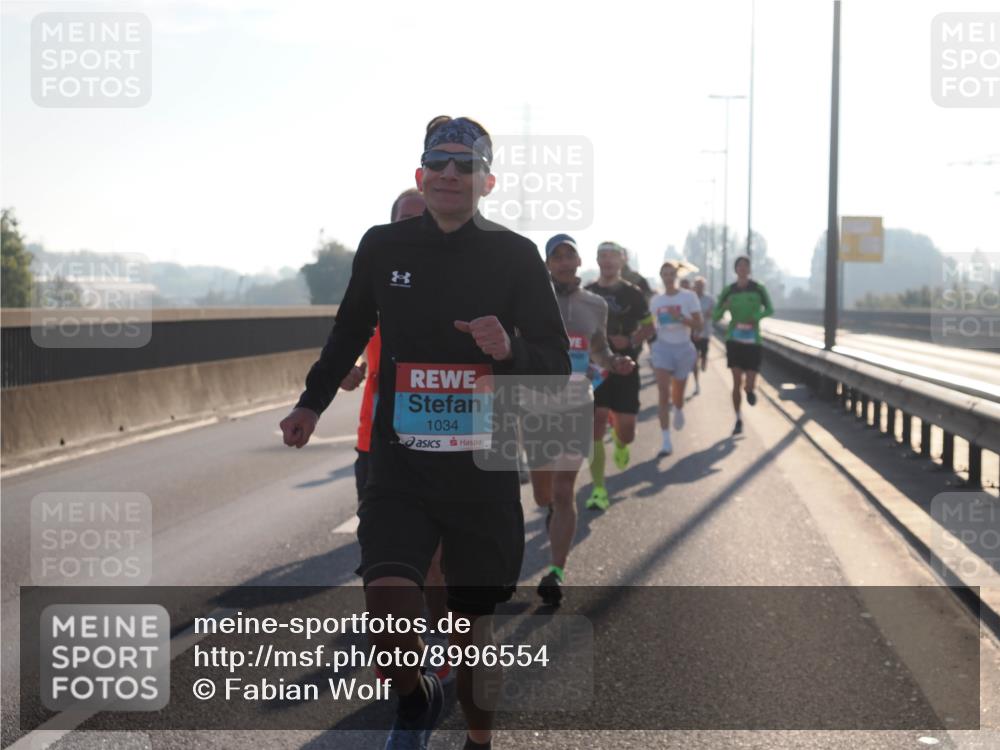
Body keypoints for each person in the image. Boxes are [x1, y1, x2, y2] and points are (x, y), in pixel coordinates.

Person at [280, 115, 570, 750]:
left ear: (486, 182)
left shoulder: (516, 256)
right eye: (437, 163)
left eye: (463, 166)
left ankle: (477, 740)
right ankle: (414, 699)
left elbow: (553, 366)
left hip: (481, 471)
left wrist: (510, 347)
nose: (448, 174)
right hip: (400, 464)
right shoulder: (384, 245)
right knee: (386, 612)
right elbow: (348, 330)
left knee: (471, 637)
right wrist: (311, 403)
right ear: (419, 174)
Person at [338, 188, 453, 687]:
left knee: (433, 559)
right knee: (385, 560)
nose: (413, 226)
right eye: (404, 219)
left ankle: (439, 636)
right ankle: (408, 658)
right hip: (376, 444)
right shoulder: (378, 288)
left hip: (436, 443)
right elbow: (349, 345)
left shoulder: (454, 287)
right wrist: (349, 370)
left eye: (420, 216)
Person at [528, 234, 635, 605]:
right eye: (555, 256)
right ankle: (552, 514)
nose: (562, 262)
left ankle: (556, 572)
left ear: (577, 261)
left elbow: (600, 349)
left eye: (568, 255)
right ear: (547, 264)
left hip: (577, 402)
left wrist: (614, 362)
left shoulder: (595, 304)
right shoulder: (530, 301)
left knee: (563, 490)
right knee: (543, 494)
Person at [583, 242, 654, 509]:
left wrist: (631, 339)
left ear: (622, 260)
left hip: (625, 366)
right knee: (595, 425)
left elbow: (649, 327)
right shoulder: (586, 293)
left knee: (626, 432)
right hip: (597, 369)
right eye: (603, 255)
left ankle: (621, 444)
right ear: (597, 260)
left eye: (613, 255)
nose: (608, 260)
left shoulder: (633, 294)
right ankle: (599, 490)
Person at [712, 255, 774, 436]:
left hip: (753, 340)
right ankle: (738, 418)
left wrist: (756, 318)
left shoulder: (758, 288)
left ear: (749, 269)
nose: (742, 269)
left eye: (745, 266)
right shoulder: (729, 290)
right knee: (736, 380)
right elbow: (715, 316)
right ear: (735, 269)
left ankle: (750, 390)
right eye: (739, 266)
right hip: (735, 339)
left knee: (750, 382)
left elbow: (770, 309)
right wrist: (724, 306)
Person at [649, 261, 703, 457]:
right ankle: (665, 441)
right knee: (663, 392)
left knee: (677, 393)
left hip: (683, 348)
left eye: (672, 274)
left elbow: (699, 324)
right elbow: (651, 326)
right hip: (662, 348)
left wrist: (681, 318)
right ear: (661, 276)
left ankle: (679, 408)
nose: (668, 277)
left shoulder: (689, 297)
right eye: (665, 274)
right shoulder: (656, 301)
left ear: (677, 276)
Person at [691, 276, 715, 387]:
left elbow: (716, 313)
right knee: (694, 358)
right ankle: (696, 382)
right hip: (693, 333)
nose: (699, 288)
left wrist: (711, 313)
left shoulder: (710, 299)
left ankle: (704, 359)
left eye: (701, 286)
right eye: (697, 286)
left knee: (704, 353)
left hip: (705, 333)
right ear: (694, 286)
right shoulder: (690, 299)